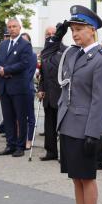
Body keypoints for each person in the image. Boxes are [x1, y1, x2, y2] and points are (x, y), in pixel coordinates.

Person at [54, 5, 102, 204]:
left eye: (79, 29)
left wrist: (93, 133)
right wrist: (54, 39)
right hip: (69, 124)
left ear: (92, 30)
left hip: (85, 129)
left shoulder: (101, 59)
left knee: (87, 178)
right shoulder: (74, 54)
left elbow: (101, 100)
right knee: (76, 178)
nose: (75, 34)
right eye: (73, 30)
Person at [0, 18, 33, 157]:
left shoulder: (25, 45)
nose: (12, 29)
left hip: (18, 87)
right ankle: (10, 145)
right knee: (8, 117)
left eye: (14, 26)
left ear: (20, 27)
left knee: (20, 118)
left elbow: (24, 63)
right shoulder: (3, 44)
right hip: (4, 86)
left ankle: (20, 146)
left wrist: (7, 70)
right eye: (9, 27)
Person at [37, 26, 65, 161]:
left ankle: (65, 153)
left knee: (63, 127)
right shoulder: (44, 52)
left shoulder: (66, 51)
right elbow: (42, 74)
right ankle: (51, 151)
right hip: (47, 95)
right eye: (48, 34)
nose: (50, 36)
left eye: (53, 33)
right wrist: (40, 89)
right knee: (49, 126)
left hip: (61, 95)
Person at [21, 32, 37, 150]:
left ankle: (29, 139)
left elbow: (30, 73)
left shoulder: (32, 55)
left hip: (27, 88)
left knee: (30, 116)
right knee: (19, 116)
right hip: (16, 89)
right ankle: (20, 138)